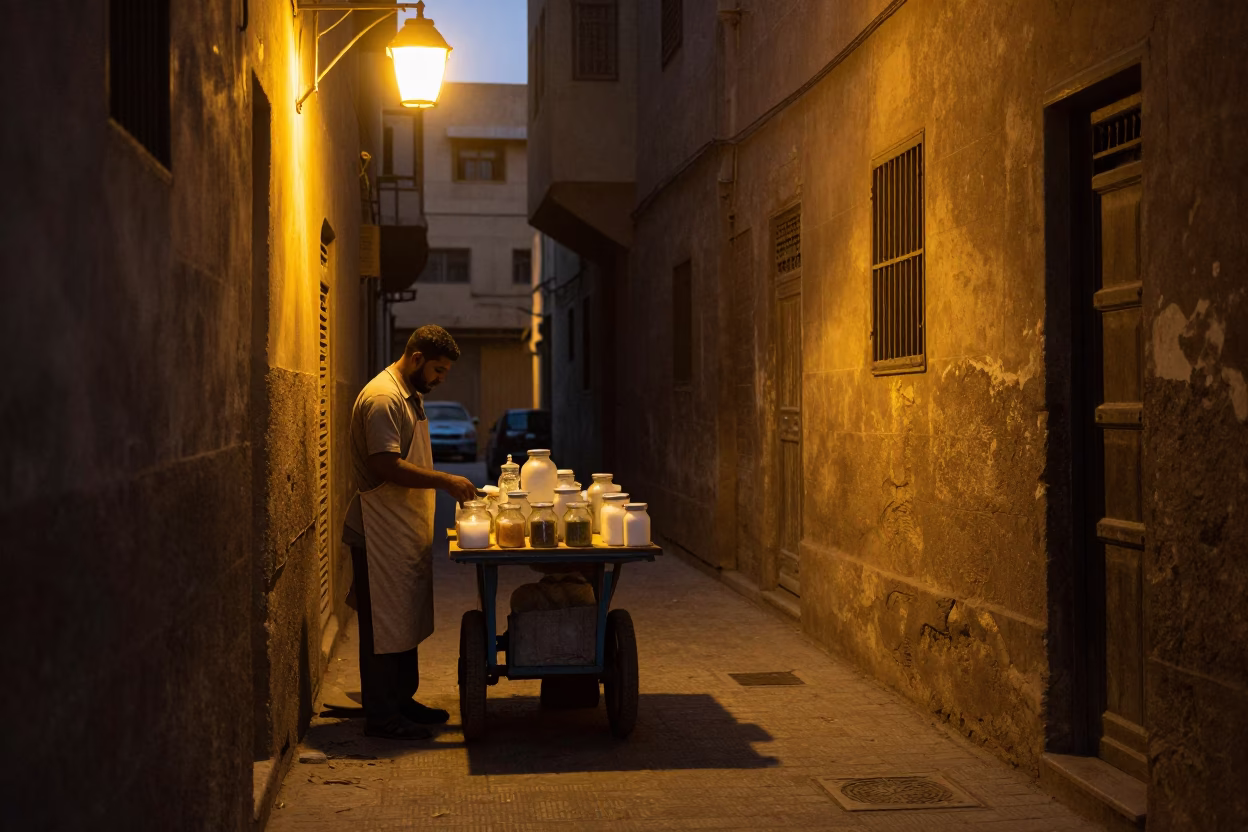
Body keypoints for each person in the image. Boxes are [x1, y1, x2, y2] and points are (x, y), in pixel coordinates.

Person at [342, 324, 478, 740]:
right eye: (437, 370)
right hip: (378, 528)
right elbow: (385, 465)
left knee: (403, 617)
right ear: (417, 357)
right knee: (383, 623)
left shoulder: (410, 394)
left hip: (401, 528)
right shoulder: (384, 398)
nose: (440, 379)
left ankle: (402, 701)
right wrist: (445, 480)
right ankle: (382, 717)